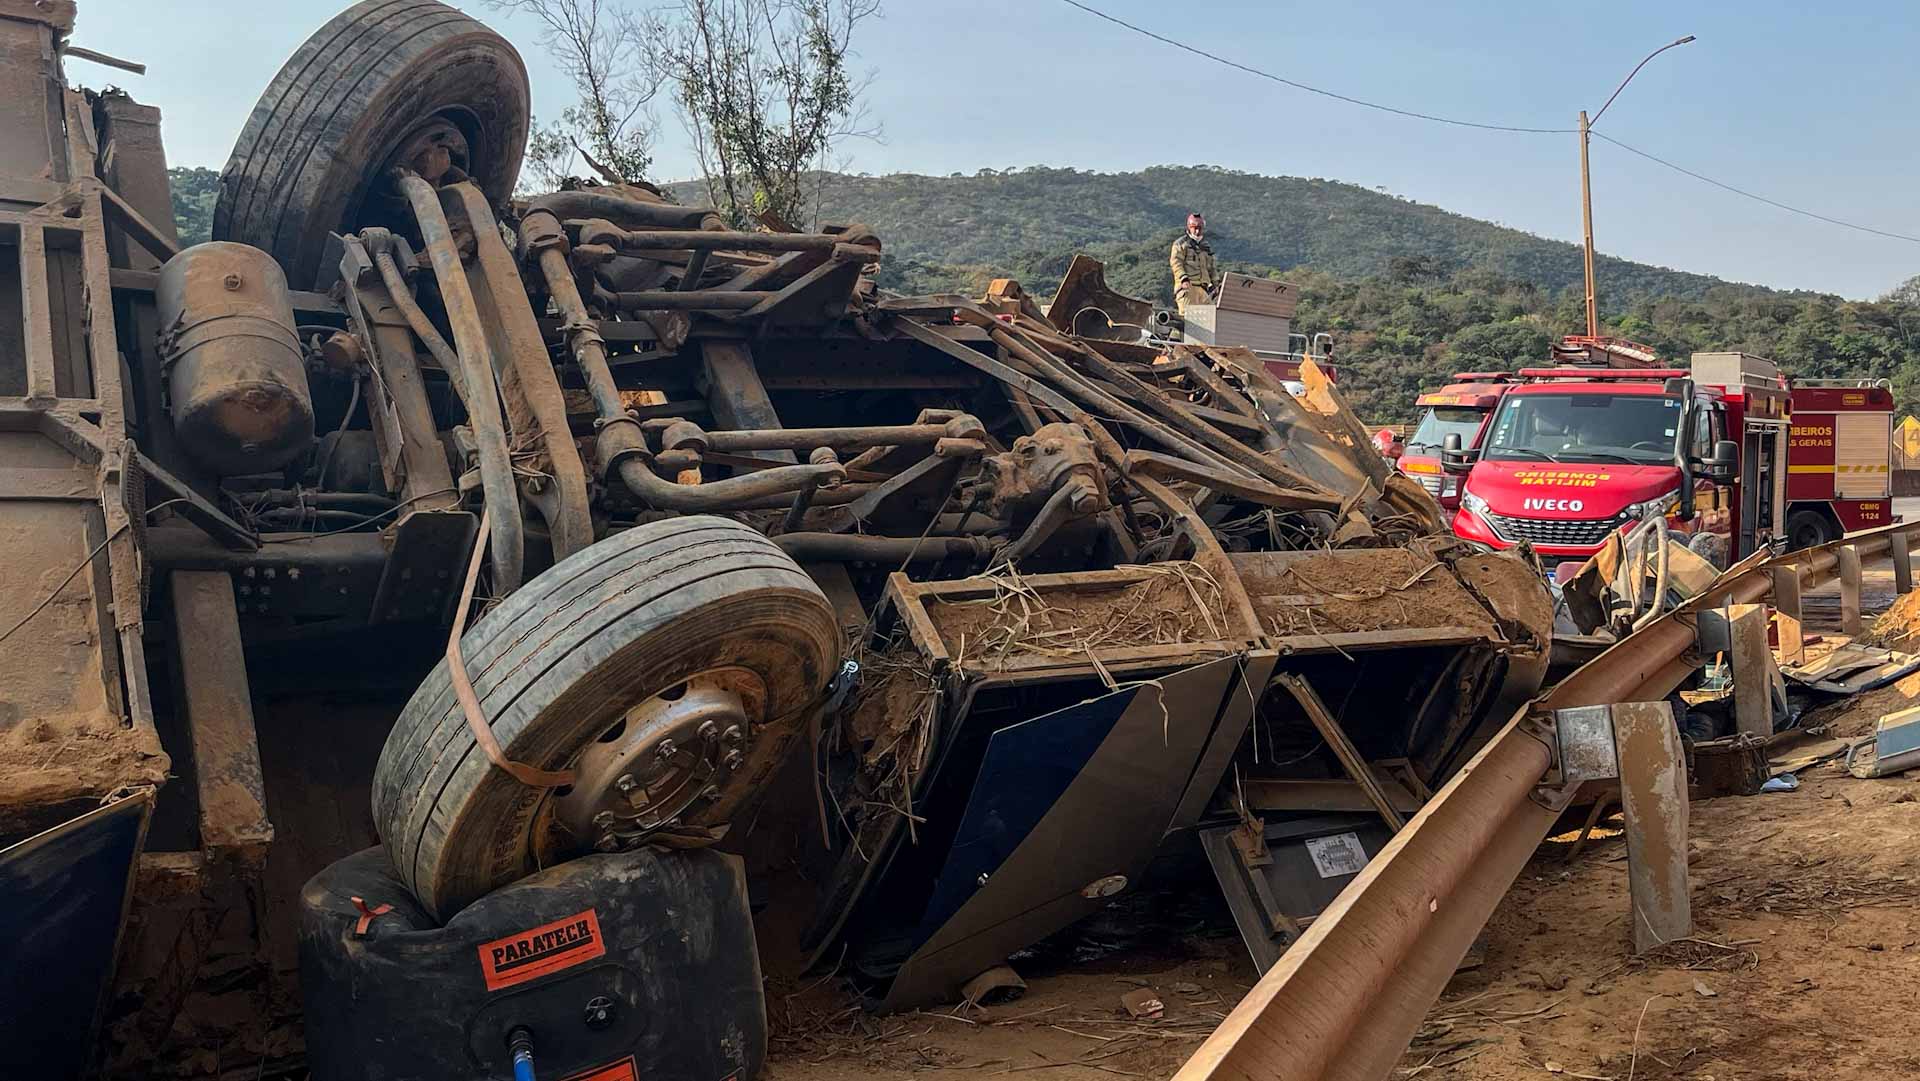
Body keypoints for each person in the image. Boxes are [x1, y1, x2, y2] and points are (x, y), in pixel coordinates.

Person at [1169, 212, 1218, 314]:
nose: (1197, 231)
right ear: (1189, 227)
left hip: (1203, 289)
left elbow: (1212, 268)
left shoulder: (1206, 246)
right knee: (1188, 321)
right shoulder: (1181, 244)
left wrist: (1215, 284)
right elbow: (1176, 262)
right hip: (1187, 288)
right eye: (1194, 227)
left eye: (1199, 228)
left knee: (1210, 319)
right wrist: (1183, 278)